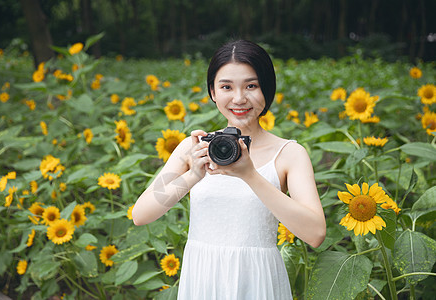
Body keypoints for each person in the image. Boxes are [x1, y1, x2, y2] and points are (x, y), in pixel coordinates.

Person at [132, 39, 326, 299]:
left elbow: (315, 233)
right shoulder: (193, 148)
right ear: (212, 92)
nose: (239, 98)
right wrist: (192, 175)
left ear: (267, 90)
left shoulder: (289, 154)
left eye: (251, 86)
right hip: (203, 277)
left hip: (258, 280)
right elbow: (141, 214)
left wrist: (250, 176)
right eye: (226, 86)